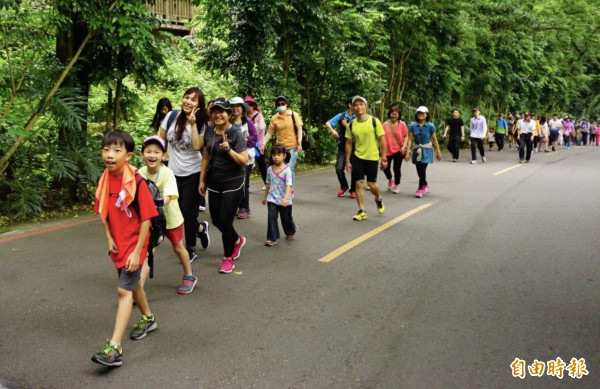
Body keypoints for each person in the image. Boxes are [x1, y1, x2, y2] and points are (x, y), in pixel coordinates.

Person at [91, 130, 158, 367]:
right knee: (134, 286)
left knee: (123, 291)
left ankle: (114, 348)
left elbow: (147, 220)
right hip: (118, 244)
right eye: (106, 150)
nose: (110, 155)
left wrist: (136, 251)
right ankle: (149, 319)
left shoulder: (137, 183)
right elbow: (104, 212)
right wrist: (108, 238)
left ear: (128, 155)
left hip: (134, 244)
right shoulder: (105, 180)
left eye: (117, 150)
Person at [137, 136, 197, 295]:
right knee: (148, 252)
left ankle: (189, 275)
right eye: (148, 151)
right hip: (150, 220)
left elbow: (169, 196)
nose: (152, 155)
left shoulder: (168, 173)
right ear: (141, 154)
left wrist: (152, 204)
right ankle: (139, 290)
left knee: (178, 247)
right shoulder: (140, 173)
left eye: (156, 152)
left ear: (164, 155)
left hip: (170, 218)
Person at [159, 87, 210, 263]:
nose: (189, 101)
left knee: (188, 212)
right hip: (172, 173)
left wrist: (193, 124)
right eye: (187, 97)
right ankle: (201, 229)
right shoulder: (172, 116)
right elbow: (160, 139)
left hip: (193, 172)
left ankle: (190, 248)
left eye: (194, 100)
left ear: (199, 105)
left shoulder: (203, 123)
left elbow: (197, 146)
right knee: (177, 211)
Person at [199, 98, 248, 274]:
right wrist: (202, 179)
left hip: (233, 181)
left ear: (228, 114)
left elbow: (244, 160)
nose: (218, 114)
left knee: (226, 220)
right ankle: (236, 239)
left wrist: (228, 149)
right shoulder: (210, 131)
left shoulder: (235, 133)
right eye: (215, 111)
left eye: (222, 111)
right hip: (214, 180)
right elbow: (205, 156)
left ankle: (228, 258)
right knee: (217, 220)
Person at [344, 95, 387, 221]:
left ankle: (378, 198)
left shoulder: (374, 121)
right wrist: (347, 161)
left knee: (372, 184)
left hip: (372, 157)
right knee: (359, 183)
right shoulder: (351, 125)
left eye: (361, 104)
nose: (358, 107)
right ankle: (362, 210)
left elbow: (382, 139)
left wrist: (383, 157)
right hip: (358, 157)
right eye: (355, 105)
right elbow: (349, 143)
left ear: (366, 106)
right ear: (352, 107)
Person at [261, 95, 304, 184]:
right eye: (278, 104)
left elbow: (299, 129)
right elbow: (269, 133)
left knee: (289, 167)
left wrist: (299, 143)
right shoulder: (274, 118)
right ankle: (281, 188)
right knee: (280, 167)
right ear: (276, 106)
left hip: (293, 146)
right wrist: (263, 143)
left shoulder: (293, 114)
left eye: (283, 103)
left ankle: (289, 189)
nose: (281, 105)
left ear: (286, 104)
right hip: (280, 148)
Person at [262, 143, 297, 246]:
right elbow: (268, 184)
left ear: (284, 155)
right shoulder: (269, 169)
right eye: (274, 155)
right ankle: (272, 237)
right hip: (272, 198)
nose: (276, 157)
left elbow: (289, 186)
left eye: (279, 154)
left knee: (286, 219)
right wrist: (265, 197)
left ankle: (291, 230)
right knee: (271, 217)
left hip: (284, 199)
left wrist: (286, 198)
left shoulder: (287, 171)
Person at [403, 106, 442, 198]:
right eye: (419, 113)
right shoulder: (413, 126)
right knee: (418, 169)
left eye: (423, 113)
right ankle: (425, 184)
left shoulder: (430, 126)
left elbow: (434, 139)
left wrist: (438, 151)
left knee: (422, 168)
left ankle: (420, 189)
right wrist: (408, 152)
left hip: (426, 150)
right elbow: (409, 139)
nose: (420, 115)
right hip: (417, 149)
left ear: (426, 115)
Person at [230, 96, 258, 219]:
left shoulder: (248, 122)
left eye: (238, 106)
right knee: (234, 182)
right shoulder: (228, 122)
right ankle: (235, 206)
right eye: (233, 106)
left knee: (244, 182)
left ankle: (244, 207)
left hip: (246, 157)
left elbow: (255, 137)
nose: (236, 108)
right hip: (232, 157)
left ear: (242, 108)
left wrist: (245, 140)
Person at [325, 97, 356, 197]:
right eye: (355, 104)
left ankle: (353, 190)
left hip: (356, 146)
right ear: (350, 105)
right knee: (339, 168)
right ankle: (344, 186)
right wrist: (332, 131)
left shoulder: (359, 117)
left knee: (355, 169)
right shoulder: (341, 116)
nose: (357, 106)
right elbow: (328, 123)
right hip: (343, 145)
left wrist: (346, 125)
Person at [382, 105, 408, 194]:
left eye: (396, 114)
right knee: (385, 167)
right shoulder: (385, 124)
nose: (394, 116)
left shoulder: (402, 124)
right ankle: (390, 179)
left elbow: (406, 136)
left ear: (399, 115)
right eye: (392, 114)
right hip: (387, 150)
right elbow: (381, 137)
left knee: (396, 168)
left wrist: (404, 146)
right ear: (389, 114)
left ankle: (396, 185)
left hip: (398, 150)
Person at [245, 96, 268, 189]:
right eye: (247, 104)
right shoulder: (244, 116)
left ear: (254, 106)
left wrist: (261, 144)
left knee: (261, 164)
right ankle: (246, 185)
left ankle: (267, 184)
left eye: (250, 104)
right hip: (248, 144)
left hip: (258, 144)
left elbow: (262, 130)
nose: (249, 106)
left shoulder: (258, 115)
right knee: (247, 164)